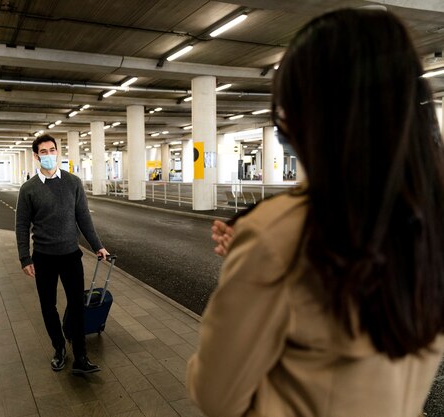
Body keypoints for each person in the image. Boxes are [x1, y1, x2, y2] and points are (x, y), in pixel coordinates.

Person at [187, 8, 444, 417]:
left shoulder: (281, 233)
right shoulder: (429, 217)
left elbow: (216, 394)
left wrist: (251, 261)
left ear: (314, 112)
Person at [15, 134, 109, 374]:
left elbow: (83, 218)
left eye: (52, 150)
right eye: (43, 152)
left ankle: (81, 357)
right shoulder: (28, 190)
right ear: (36, 157)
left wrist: (97, 245)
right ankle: (59, 349)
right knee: (48, 306)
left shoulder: (73, 182)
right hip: (43, 258)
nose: (49, 155)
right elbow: (22, 225)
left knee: (77, 306)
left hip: (70, 255)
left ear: (58, 152)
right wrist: (25, 257)